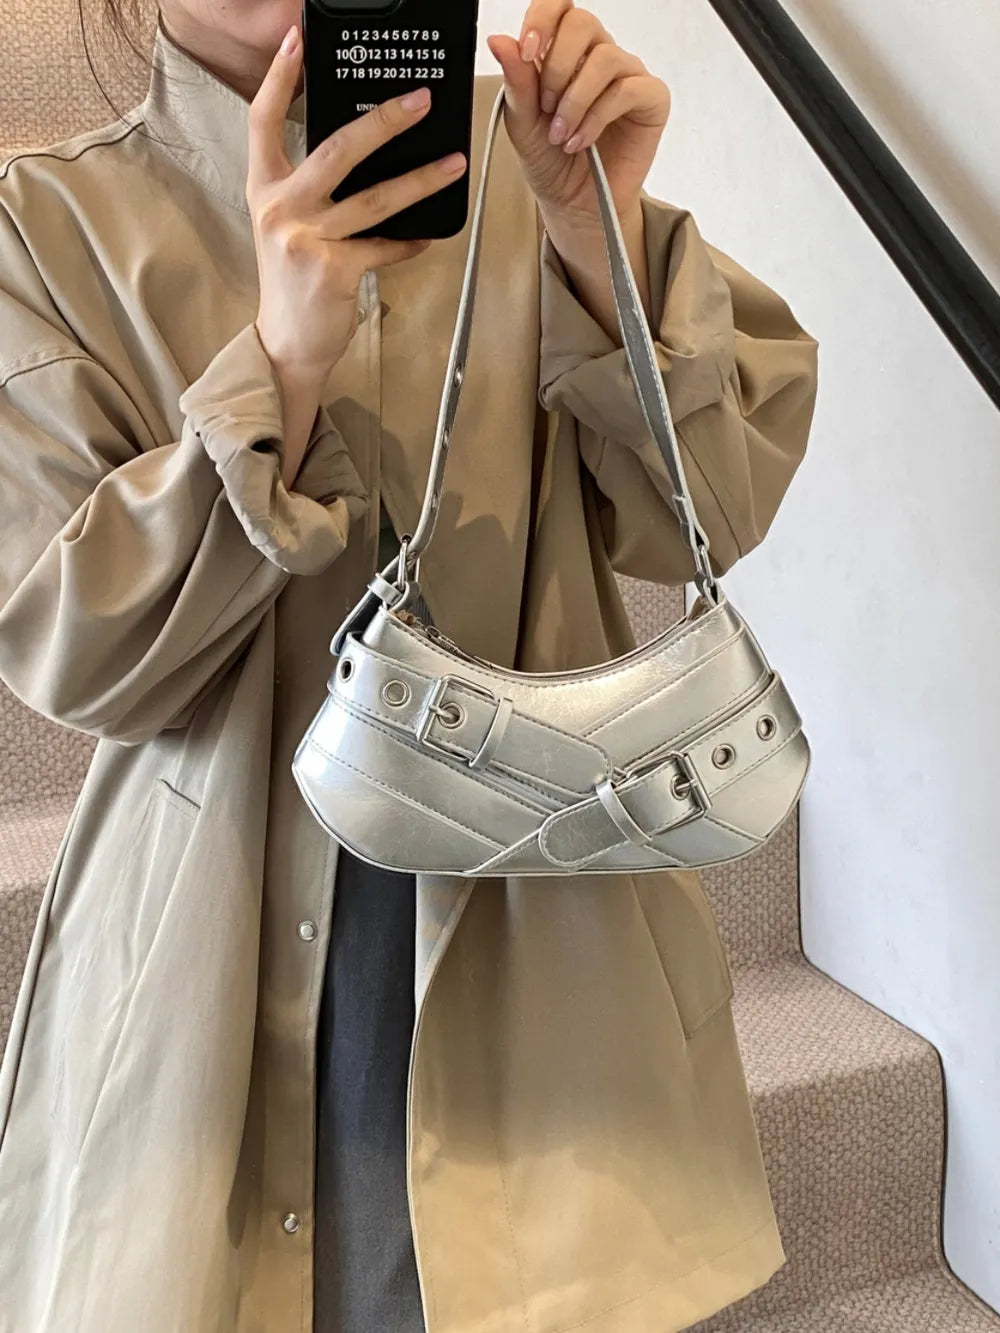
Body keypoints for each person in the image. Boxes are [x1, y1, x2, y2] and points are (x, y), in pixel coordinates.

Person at [0, 2, 819, 1331]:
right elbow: (80, 653)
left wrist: (599, 244)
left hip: (544, 917)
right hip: (213, 942)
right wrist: (279, 367)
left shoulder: (532, 172)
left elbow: (708, 516)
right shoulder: (48, 229)